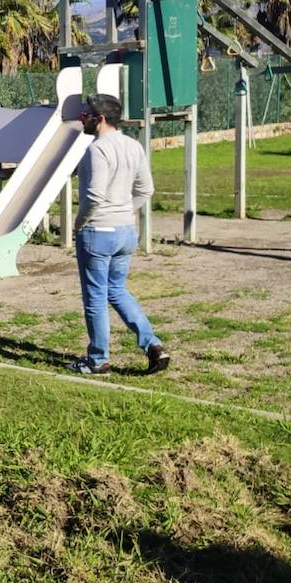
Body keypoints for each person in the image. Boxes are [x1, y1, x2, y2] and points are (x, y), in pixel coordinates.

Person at [70, 93, 170, 375]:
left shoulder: (97, 149)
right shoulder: (133, 146)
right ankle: (153, 346)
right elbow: (145, 190)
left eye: (87, 114)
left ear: (100, 120)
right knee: (116, 290)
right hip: (126, 230)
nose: (83, 118)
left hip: (98, 231)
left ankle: (98, 359)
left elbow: (94, 195)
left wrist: (79, 223)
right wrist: (125, 212)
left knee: (95, 297)